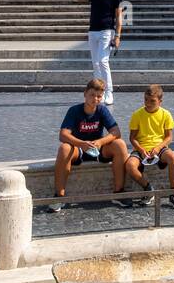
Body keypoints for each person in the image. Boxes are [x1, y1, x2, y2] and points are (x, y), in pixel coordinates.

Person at [51, 78, 146, 212]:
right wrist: (81, 144)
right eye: (92, 95)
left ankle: (119, 192)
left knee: (120, 144)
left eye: (99, 96)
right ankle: (59, 197)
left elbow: (116, 132)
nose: (95, 99)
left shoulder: (102, 110)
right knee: (64, 148)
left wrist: (100, 142)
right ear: (85, 94)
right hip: (79, 149)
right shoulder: (74, 110)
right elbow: (63, 135)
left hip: (98, 149)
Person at [129, 83, 174, 210]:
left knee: (172, 158)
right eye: (146, 100)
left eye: (152, 101)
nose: (148, 103)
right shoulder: (137, 114)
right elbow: (132, 138)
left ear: (160, 101)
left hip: (158, 147)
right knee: (130, 165)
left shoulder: (166, 114)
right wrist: (141, 150)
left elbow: (169, 137)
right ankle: (148, 189)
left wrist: (158, 148)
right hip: (141, 148)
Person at [75, 0, 123, 105]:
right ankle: (98, 93)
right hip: (93, 31)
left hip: (107, 31)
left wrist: (118, 36)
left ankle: (109, 92)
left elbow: (119, 16)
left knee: (103, 61)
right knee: (96, 64)